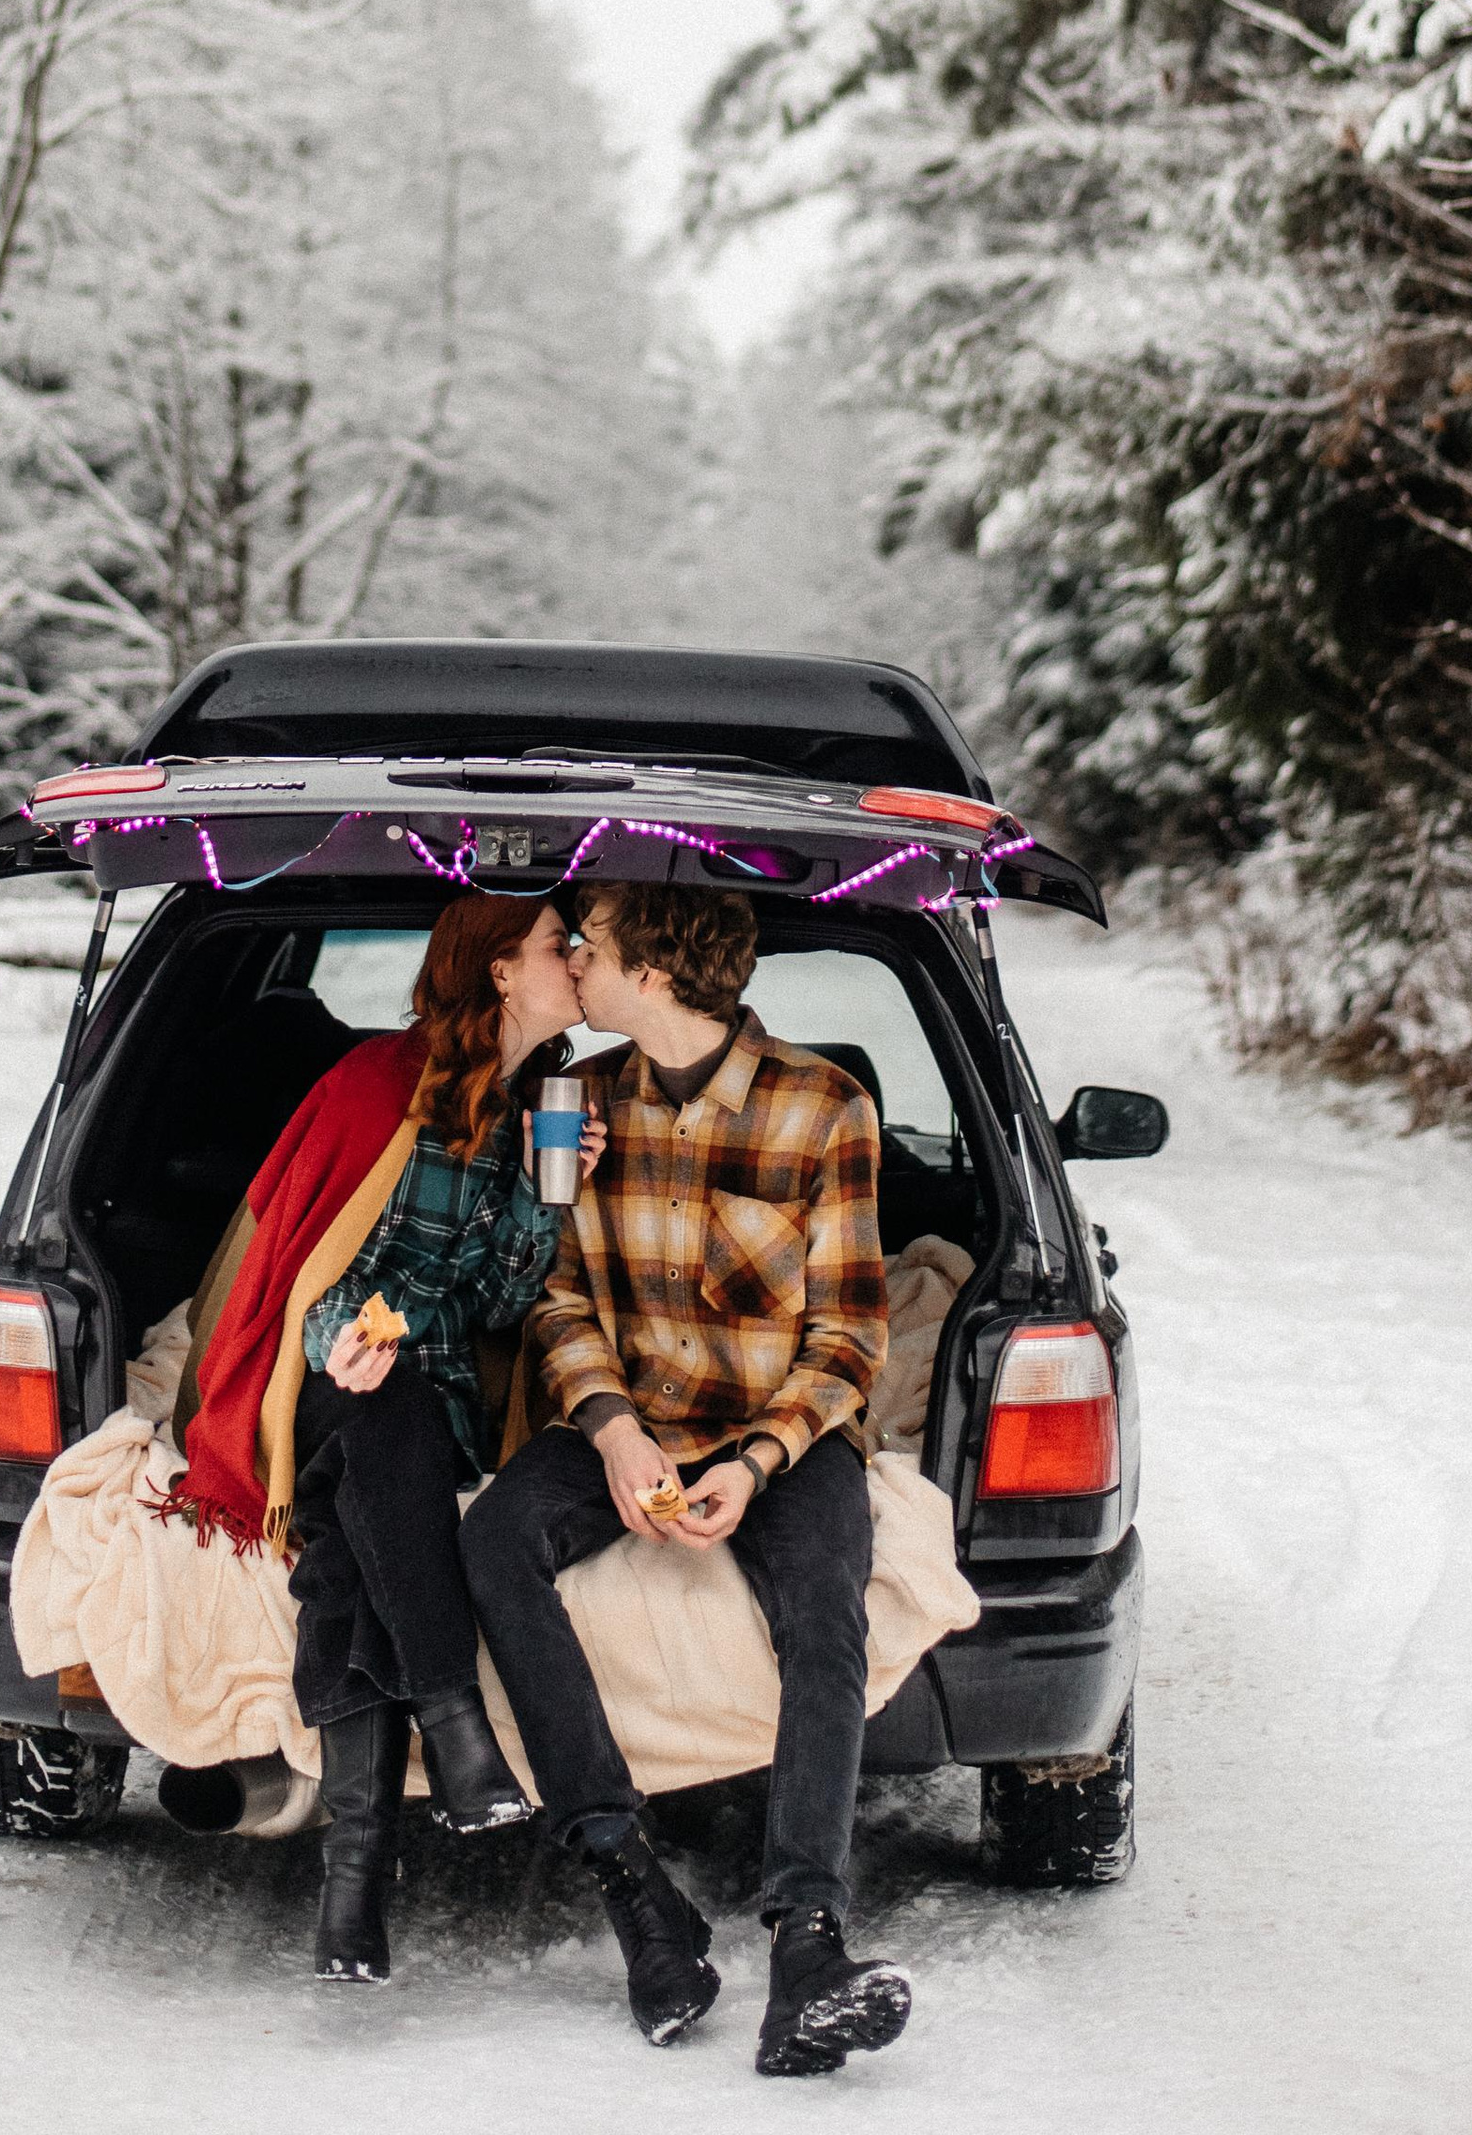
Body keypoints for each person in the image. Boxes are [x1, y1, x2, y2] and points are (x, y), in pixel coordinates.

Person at [460, 881, 911, 2078]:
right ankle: (635, 1894)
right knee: (496, 1537)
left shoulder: (824, 1109)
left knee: (825, 1605)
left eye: (586, 946)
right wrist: (609, 1433)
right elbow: (558, 1302)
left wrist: (758, 1465)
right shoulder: (576, 1102)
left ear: (649, 974)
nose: (571, 961)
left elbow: (852, 1340)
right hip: (628, 1418)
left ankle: (808, 1945)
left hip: (778, 1431)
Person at [160, 891, 602, 1984]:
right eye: (561, 945)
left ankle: (354, 1884)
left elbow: (503, 1304)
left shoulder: (538, 1105)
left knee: (353, 1552)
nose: (580, 960)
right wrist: (337, 1343)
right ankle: (453, 1723)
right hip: (318, 1379)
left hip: (423, 1406)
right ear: (501, 971)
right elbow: (298, 1272)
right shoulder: (371, 1089)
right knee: (377, 1402)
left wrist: (556, 1196)